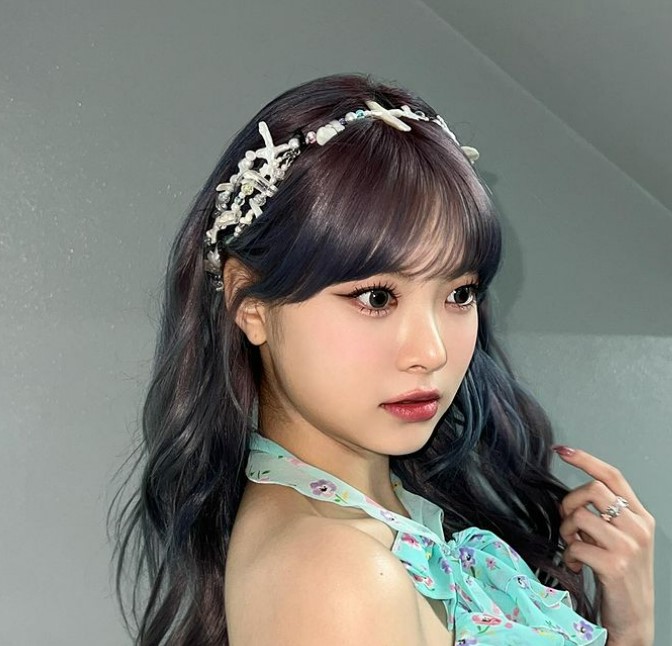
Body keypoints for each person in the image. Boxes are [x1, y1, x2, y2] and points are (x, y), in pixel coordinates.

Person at [109, 73, 655, 645]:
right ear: (250, 303)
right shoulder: (336, 573)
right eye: (376, 298)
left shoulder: (383, 525)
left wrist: (629, 625)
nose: (431, 352)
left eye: (459, 294)